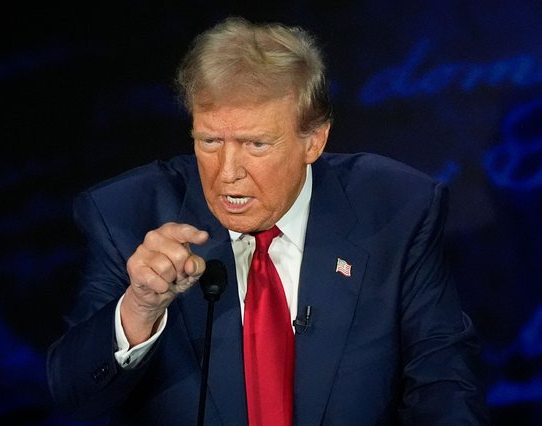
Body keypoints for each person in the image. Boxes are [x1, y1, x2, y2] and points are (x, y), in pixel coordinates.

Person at [47, 16, 489, 425]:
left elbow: (444, 383)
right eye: (210, 141)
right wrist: (140, 307)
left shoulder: (397, 209)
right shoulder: (126, 215)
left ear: (313, 140)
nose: (227, 172)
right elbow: (73, 397)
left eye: (256, 144)